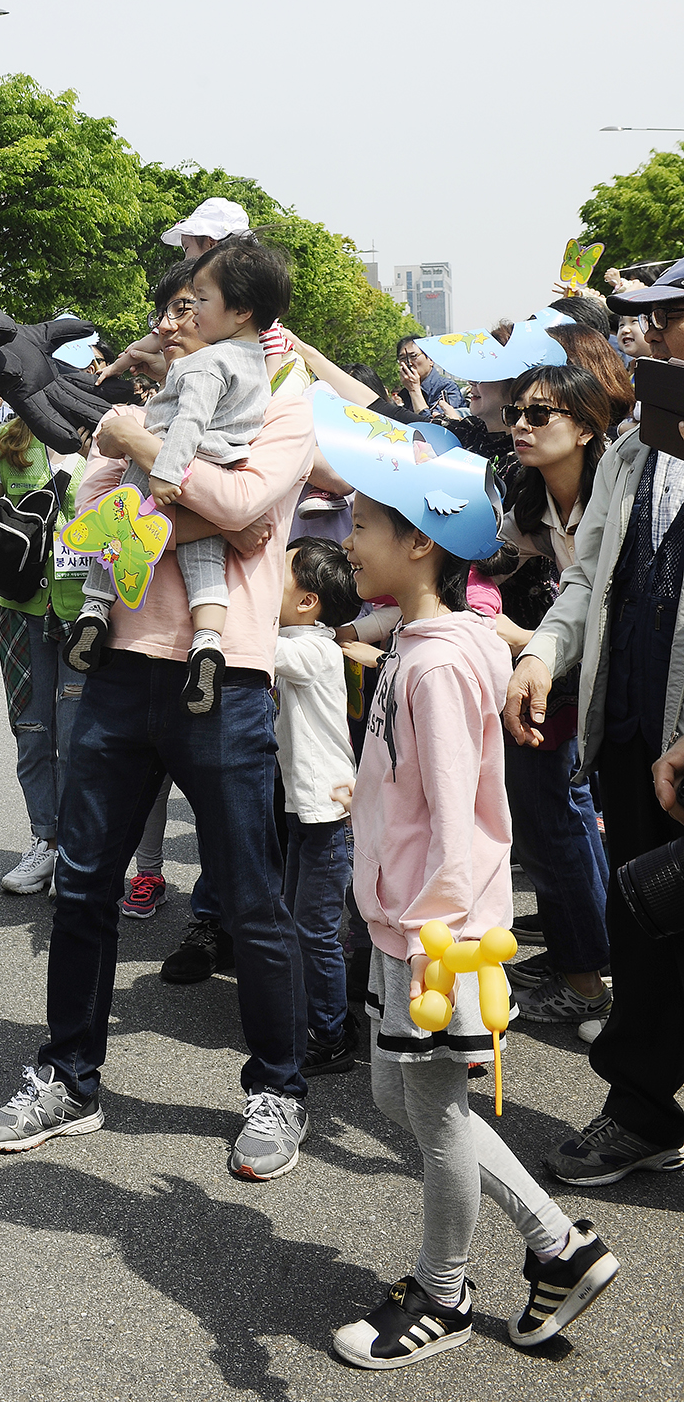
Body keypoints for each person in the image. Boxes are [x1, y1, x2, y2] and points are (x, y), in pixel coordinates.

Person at [0, 330, 315, 1180]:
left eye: (195, 306)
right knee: (84, 881)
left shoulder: (284, 402)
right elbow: (96, 526)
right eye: (171, 310)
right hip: (121, 669)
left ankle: (278, 1089)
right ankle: (67, 1078)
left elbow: (248, 513)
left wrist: (149, 473)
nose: (175, 326)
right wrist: (178, 486)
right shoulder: (124, 416)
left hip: (222, 673)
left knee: (250, 893)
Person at [332, 484, 617, 1366]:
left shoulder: (438, 664)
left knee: (436, 1111)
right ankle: (559, 1248)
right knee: (400, 1096)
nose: (349, 541)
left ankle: (444, 1293)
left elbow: (459, 822)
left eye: (365, 528)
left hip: (435, 930)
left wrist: (434, 945)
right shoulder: (418, 642)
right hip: (403, 916)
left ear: (421, 546)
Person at [507, 261, 684, 1186]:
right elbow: (588, 578)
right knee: (648, 920)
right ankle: (642, 1109)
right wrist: (542, 653)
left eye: (665, 319)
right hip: (629, 732)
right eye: (641, 319)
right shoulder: (634, 452)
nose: (641, 336)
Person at [66, 237, 287, 711]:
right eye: (162, 316)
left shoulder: (209, 368)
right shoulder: (259, 373)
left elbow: (97, 524)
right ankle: (207, 642)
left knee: (114, 530)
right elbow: (239, 511)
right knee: (205, 562)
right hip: (219, 464)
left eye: (194, 305)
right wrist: (223, 523)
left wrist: (156, 461)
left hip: (166, 466)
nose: (173, 325)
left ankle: (94, 609)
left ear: (241, 310)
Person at [495, 366, 613, 1040]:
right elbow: (500, 556)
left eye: (541, 414)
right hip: (563, 672)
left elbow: (611, 605)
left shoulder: (620, 490)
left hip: (606, 684)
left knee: (559, 821)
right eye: (517, 411)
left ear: (588, 427)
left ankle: (587, 982)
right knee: (550, 820)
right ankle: (586, 966)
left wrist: (523, 640)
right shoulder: (528, 491)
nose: (521, 425)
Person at [0, 415, 89, 895]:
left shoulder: (103, 437)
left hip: (85, 613)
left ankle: (79, 850)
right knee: (33, 729)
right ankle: (45, 839)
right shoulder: (9, 440)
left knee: (78, 737)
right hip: (22, 607)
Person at [274, 537, 362, 1078]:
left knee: (315, 928)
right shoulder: (300, 638)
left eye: (277, 574)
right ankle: (320, 1015)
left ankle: (329, 1033)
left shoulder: (313, 649)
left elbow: (262, 651)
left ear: (308, 602)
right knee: (296, 919)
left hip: (327, 812)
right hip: (302, 806)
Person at [397, 337, 467, 417]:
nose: (408, 363)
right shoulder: (406, 392)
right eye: (402, 358)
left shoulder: (447, 388)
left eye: (413, 356)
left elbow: (434, 425)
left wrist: (414, 390)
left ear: (430, 359)